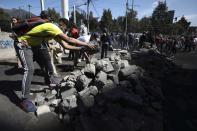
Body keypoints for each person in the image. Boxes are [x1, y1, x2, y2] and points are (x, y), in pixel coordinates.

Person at [16, 17, 95, 112]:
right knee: (29, 69)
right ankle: (25, 99)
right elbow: (69, 39)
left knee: (47, 61)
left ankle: (49, 81)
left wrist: (81, 49)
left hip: (35, 45)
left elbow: (65, 45)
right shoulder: (52, 27)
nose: (65, 31)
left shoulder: (54, 32)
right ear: (63, 25)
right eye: (66, 29)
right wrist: (86, 45)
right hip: (23, 43)